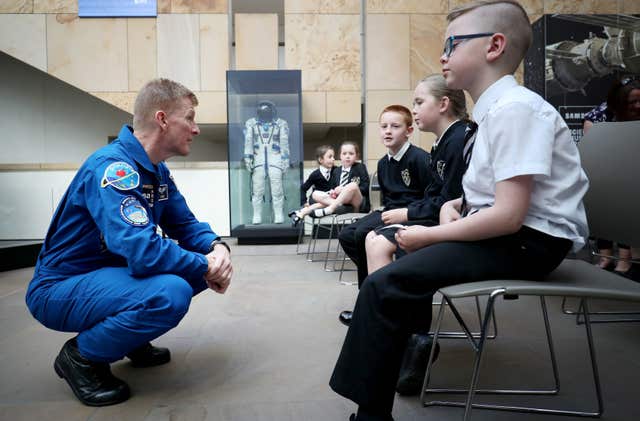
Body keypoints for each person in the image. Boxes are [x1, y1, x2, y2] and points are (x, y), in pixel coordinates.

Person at [329, 2, 589, 420]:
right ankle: (400, 362)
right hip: (515, 236)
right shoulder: (497, 113)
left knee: (384, 284)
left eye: (452, 43)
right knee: (388, 272)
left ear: (494, 46)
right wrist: (455, 206)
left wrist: (430, 234)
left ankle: (371, 413)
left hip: (531, 243)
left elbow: (508, 216)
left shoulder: (517, 110)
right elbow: (494, 197)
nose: (442, 55)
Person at [25, 78, 233, 407]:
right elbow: (143, 251)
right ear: (162, 119)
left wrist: (218, 249)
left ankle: (131, 337)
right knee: (172, 292)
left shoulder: (156, 171)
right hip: (60, 287)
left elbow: (185, 224)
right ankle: (80, 358)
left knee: (201, 269)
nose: (196, 129)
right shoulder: (113, 169)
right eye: (190, 117)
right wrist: (205, 263)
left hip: (109, 277)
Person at [365, 74, 470, 277]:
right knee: (370, 237)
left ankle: (389, 305)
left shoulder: (457, 139)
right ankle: (376, 304)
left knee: (377, 242)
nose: (414, 110)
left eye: (419, 102)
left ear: (443, 104)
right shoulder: (444, 141)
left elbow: (448, 199)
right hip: (436, 215)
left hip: (454, 224)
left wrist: (409, 213)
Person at [337, 105, 431, 311]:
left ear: (409, 131)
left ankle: (368, 298)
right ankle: (377, 280)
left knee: (363, 233)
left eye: (395, 126)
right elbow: (388, 198)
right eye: (384, 126)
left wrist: (406, 213)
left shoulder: (420, 159)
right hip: (389, 210)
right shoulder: (382, 163)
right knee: (346, 234)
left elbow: (430, 197)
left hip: (412, 213)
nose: (388, 131)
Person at [583, 77, 640, 276]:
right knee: (604, 204)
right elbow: (594, 151)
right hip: (605, 168)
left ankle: (625, 259)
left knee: (628, 205)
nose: (637, 105)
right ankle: (605, 256)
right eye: (631, 102)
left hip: (633, 171)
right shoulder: (599, 117)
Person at [290, 141, 370, 225]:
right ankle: (301, 213)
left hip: (356, 203)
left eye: (351, 154)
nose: (347, 156)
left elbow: (365, 187)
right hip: (341, 203)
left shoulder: (360, 167)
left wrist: (344, 189)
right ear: (340, 156)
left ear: (356, 156)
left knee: (353, 185)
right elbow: (333, 188)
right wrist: (333, 192)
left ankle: (329, 209)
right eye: (344, 154)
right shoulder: (337, 171)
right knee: (315, 194)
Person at [244, 100, 290, 224]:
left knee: (277, 189)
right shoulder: (252, 124)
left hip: (275, 158)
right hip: (258, 158)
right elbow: (248, 142)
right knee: (257, 189)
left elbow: (284, 143)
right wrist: (248, 157)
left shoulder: (280, 124)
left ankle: (279, 215)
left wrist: (285, 159)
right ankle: (257, 216)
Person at [288, 145, 338, 225]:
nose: (333, 159)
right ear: (321, 160)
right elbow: (303, 188)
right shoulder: (315, 175)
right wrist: (304, 202)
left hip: (329, 200)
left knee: (326, 203)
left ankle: (301, 213)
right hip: (317, 200)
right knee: (324, 202)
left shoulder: (336, 170)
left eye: (333, 157)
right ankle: (301, 211)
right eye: (330, 157)